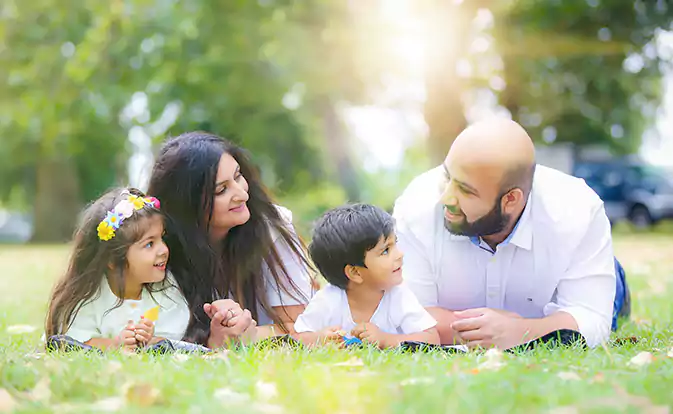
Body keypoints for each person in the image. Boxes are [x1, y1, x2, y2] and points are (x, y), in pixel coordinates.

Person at [393, 118, 629, 349]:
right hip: (539, 317)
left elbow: (591, 319)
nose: (445, 197)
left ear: (511, 200)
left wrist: (518, 331)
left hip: (568, 287)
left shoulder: (578, 211)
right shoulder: (416, 206)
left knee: (610, 295)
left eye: (465, 190)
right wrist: (488, 330)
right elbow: (406, 314)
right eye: (447, 176)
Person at [147, 132, 316, 348]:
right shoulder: (158, 249)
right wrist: (212, 340)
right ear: (188, 205)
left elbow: (301, 324)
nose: (242, 194)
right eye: (221, 190)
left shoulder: (271, 226)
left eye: (238, 176)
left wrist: (248, 335)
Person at [44, 188, 192, 351]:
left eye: (161, 237)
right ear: (114, 259)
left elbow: (173, 343)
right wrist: (115, 345)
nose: (164, 249)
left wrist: (150, 340)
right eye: (149, 244)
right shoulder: (90, 297)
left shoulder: (165, 290)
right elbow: (74, 342)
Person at [294, 204, 439, 348]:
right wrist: (318, 339)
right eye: (385, 250)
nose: (400, 254)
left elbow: (432, 339)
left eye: (395, 244)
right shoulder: (327, 300)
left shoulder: (398, 295)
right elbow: (297, 338)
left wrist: (385, 340)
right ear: (355, 273)